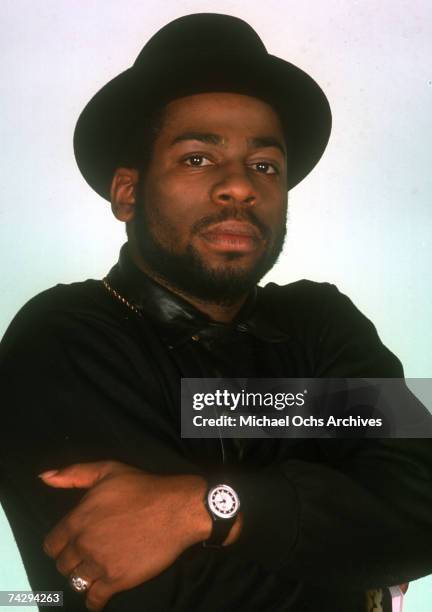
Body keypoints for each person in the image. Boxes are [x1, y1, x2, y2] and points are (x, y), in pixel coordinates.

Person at [0, 13, 431, 612]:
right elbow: (163, 598)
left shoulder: (321, 322)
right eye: (198, 158)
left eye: (264, 166)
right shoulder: (60, 339)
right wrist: (368, 581)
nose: (240, 187)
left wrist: (202, 507)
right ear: (128, 192)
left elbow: (422, 504)